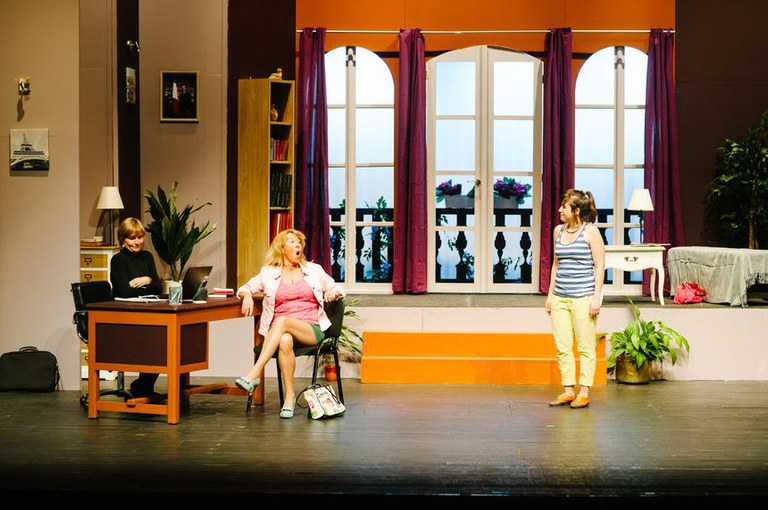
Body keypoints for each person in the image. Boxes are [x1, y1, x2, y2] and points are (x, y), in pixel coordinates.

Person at [234, 229, 345, 419]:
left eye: (299, 242)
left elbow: (336, 287)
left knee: (282, 321)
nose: (297, 245)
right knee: (284, 340)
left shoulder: (314, 270)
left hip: (310, 329)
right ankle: (289, 398)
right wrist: (247, 296)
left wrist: (333, 293)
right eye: (292, 241)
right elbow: (245, 288)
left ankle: (254, 374)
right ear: (282, 248)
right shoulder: (268, 273)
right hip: (280, 332)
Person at [545, 189, 605, 409]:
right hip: (560, 297)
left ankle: (584, 391)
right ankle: (568, 390)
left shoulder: (591, 232)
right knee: (563, 346)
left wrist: (596, 298)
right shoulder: (558, 231)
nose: (559, 210)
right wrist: (550, 295)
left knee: (586, 346)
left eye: (564, 207)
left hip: (583, 298)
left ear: (576, 210)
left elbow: (600, 266)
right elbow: (556, 265)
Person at [110, 217, 164, 399]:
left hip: (147, 312)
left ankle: (142, 386)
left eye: (140, 237)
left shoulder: (147, 257)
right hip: (126, 315)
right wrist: (147, 286)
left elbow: (158, 288)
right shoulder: (118, 260)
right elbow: (124, 291)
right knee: (154, 342)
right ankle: (142, 387)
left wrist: (147, 280)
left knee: (162, 341)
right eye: (132, 238)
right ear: (123, 239)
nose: (137, 242)